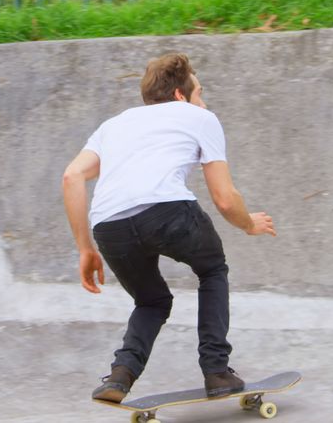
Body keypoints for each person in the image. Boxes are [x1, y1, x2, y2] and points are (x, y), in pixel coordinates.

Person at [62, 52, 276, 403]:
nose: (203, 101)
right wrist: (248, 223)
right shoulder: (198, 117)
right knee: (212, 270)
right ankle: (217, 371)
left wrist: (86, 249)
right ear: (180, 94)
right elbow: (224, 197)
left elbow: (72, 176)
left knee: (151, 301)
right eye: (199, 92)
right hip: (167, 212)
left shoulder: (113, 125)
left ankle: (120, 375)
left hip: (109, 225)